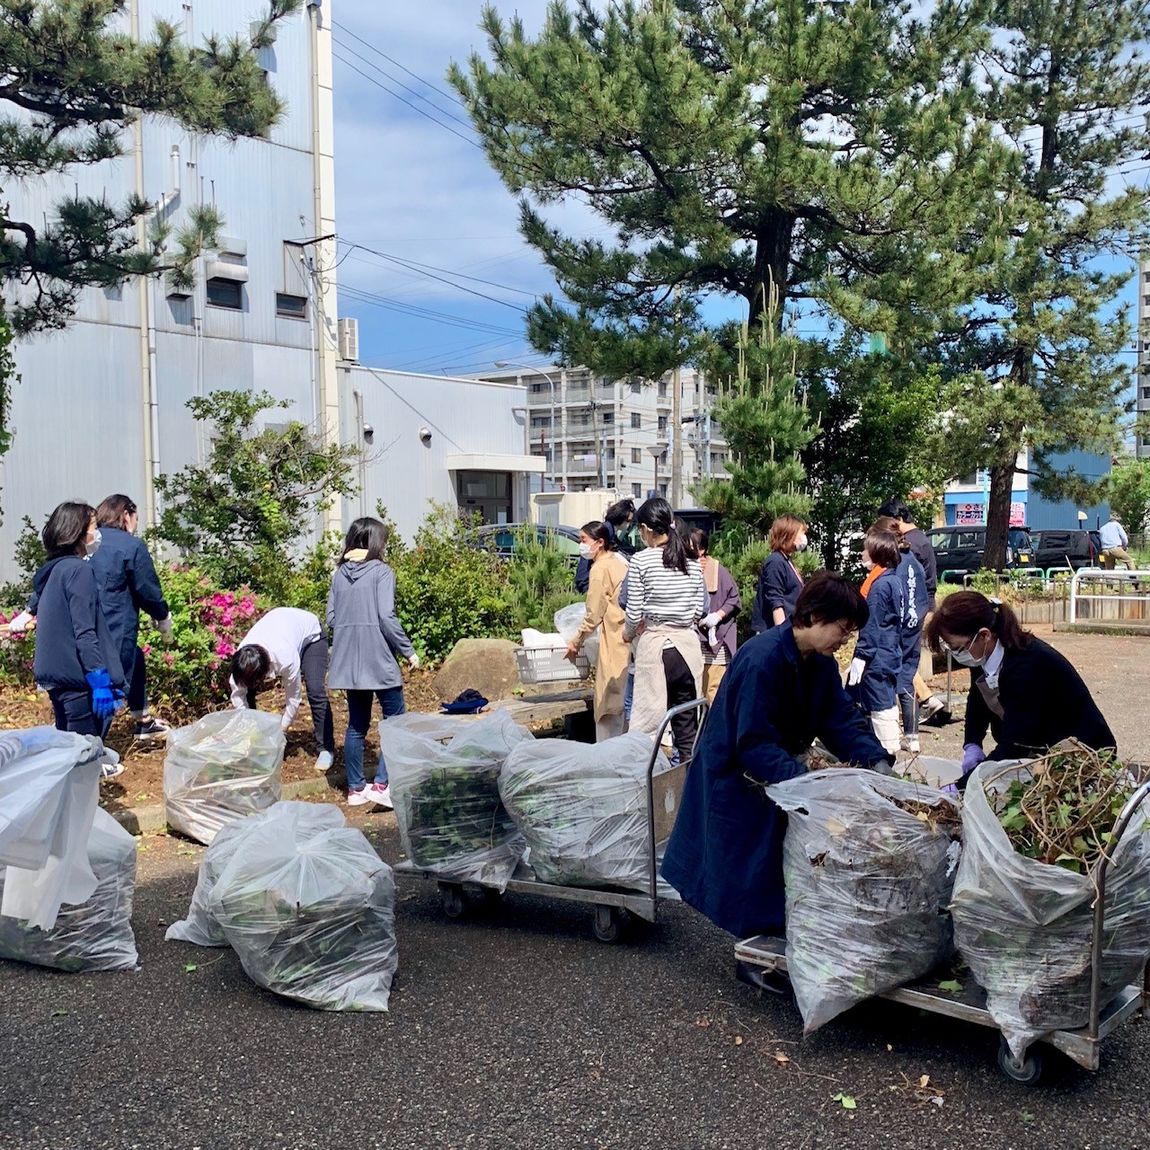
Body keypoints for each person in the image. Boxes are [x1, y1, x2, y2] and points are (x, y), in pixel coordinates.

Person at [662, 574, 893, 990]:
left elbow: (840, 719)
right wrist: (805, 781)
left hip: (777, 769)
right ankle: (752, 957)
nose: (845, 640)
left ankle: (773, 943)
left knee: (773, 863)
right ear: (817, 616)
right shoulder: (761, 658)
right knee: (749, 865)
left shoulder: (819, 665)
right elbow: (751, 742)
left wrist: (875, 760)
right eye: (843, 628)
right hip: (737, 773)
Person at [925, 591, 1116, 789]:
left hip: (1082, 756)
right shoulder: (982, 654)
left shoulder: (1027, 666)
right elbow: (978, 701)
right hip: (1040, 751)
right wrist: (972, 743)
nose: (956, 654)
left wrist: (962, 786)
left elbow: (1016, 743)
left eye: (957, 647)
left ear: (984, 635)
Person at [327, 517, 420, 807]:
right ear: (375, 542)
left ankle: (355, 789)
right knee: (397, 723)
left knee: (357, 725)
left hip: (349, 661)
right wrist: (408, 650)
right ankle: (382, 784)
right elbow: (386, 616)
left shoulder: (339, 574)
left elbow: (331, 618)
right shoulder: (381, 572)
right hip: (379, 659)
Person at [29, 501, 126, 774]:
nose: (98, 533)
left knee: (68, 759)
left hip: (58, 682)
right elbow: (84, 633)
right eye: (94, 527)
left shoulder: (52, 572)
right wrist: (100, 680)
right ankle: (83, 816)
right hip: (78, 683)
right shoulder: (78, 570)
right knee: (82, 766)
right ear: (78, 532)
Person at [622, 497, 707, 765]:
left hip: (656, 648)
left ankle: (650, 787)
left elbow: (633, 611)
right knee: (686, 725)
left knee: (648, 727)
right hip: (687, 650)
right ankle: (689, 786)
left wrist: (628, 633)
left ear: (646, 528)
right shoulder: (691, 562)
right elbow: (698, 611)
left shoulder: (640, 561)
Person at [87, 494, 173, 740]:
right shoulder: (129, 545)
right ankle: (93, 753)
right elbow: (147, 589)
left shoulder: (85, 542)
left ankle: (143, 720)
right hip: (114, 627)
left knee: (135, 657)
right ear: (126, 515)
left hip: (83, 627)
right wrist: (162, 617)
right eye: (136, 518)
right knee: (111, 685)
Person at [229, 606, 336, 772]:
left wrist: (281, 729)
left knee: (315, 690)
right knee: (247, 694)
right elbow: (238, 696)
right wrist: (251, 730)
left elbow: (293, 698)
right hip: (282, 626)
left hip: (311, 636)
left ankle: (326, 748)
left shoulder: (284, 657)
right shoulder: (241, 662)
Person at [879, 498, 947, 722]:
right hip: (922, 606)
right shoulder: (921, 539)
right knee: (905, 659)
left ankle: (924, 702)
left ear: (897, 520)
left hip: (909, 610)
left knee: (900, 660)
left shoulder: (908, 545)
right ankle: (925, 700)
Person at [565, 521, 630, 740]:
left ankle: (607, 748)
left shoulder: (599, 569)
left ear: (599, 542)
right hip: (630, 634)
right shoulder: (619, 562)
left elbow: (593, 613)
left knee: (608, 698)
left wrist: (577, 639)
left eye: (584, 540)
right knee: (624, 696)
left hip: (614, 635)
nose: (581, 546)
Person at [846, 528, 904, 756]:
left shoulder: (879, 586)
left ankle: (888, 754)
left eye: (866, 549)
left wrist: (861, 655)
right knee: (867, 703)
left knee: (881, 708)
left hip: (876, 658)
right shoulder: (892, 579)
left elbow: (872, 624)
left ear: (877, 552)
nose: (862, 553)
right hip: (888, 653)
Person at [874, 515, 929, 752]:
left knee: (897, 678)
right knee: (907, 675)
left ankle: (896, 736)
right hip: (914, 624)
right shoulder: (912, 560)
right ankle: (912, 735)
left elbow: (895, 600)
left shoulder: (896, 565)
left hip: (900, 628)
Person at [688, 528, 741, 705]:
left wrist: (717, 616)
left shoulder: (717, 569)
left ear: (701, 549)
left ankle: (716, 730)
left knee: (714, 691)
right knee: (695, 692)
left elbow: (734, 598)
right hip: (692, 640)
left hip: (716, 640)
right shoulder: (684, 569)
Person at [751, 514, 807, 634]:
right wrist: (781, 636)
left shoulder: (786, 560)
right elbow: (776, 601)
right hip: (776, 632)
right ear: (788, 534)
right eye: (801, 533)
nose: (804, 538)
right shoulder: (775, 562)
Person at [574, 498, 637, 593]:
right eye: (628, 521)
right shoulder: (606, 531)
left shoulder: (612, 531)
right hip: (590, 584)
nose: (628, 525)